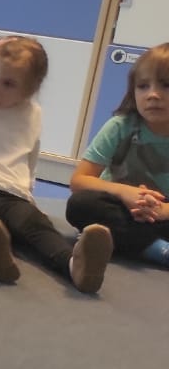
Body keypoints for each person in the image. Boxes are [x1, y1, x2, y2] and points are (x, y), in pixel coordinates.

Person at [0, 35, 113, 292]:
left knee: (36, 226)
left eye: (8, 84)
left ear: (28, 90)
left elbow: (29, 156)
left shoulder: (31, 114)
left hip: (12, 194)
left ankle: (74, 265)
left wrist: (28, 193)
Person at [66, 41, 169, 268]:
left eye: (166, 85)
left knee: (102, 227)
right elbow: (79, 181)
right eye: (143, 86)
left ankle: (122, 241)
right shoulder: (120, 126)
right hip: (119, 206)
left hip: (162, 214)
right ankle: (158, 250)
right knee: (80, 205)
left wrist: (162, 210)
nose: (153, 95)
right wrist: (124, 192)